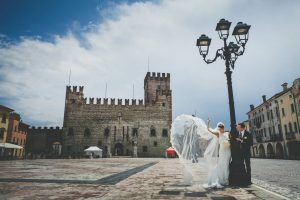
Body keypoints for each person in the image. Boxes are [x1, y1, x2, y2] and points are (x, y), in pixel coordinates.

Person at [204, 118, 231, 188]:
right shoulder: (218, 134)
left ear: (223, 128)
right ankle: (222, 179)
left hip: (228, 151)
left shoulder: (227, 133)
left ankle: (226, 179)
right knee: (222, 164)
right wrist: (208, 123)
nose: (219, 130)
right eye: (218, 128)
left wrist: (229, 142)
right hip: (222, 151)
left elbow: (231, 140)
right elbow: (209, 130)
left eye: (220, 128)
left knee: (226, 165)